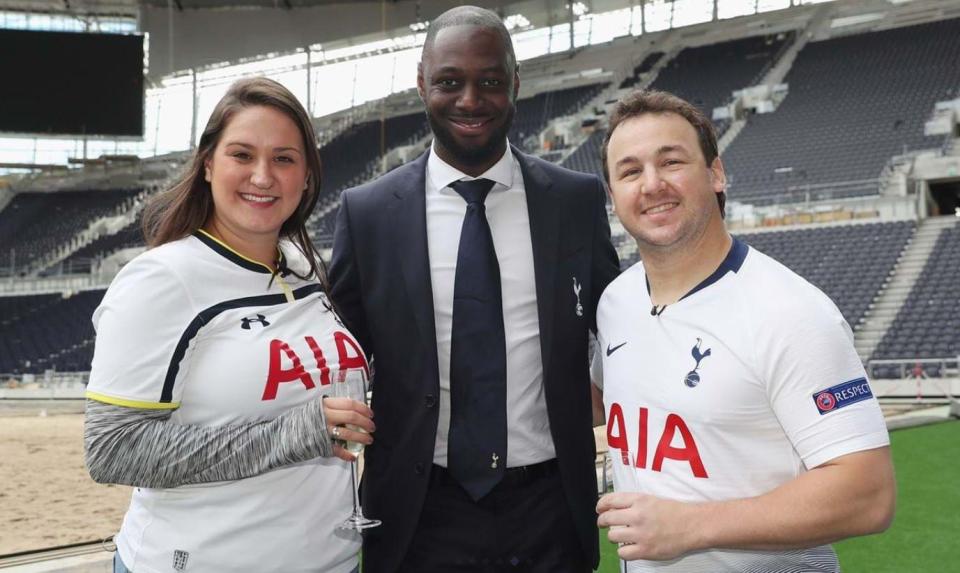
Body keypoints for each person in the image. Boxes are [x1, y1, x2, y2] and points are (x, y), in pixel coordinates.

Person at [328, 6, 621, 572]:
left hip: (550, 509)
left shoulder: (574, 200)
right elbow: (336, 349)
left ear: (515, 83)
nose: (469, 99)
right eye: (449, 81)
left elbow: (621, 322)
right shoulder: (367, 214)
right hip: (418, 509)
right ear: (421, 85)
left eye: (489, 81)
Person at [592, 89, 896, 571]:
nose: (651, 185)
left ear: (716, 173)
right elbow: (613, 394)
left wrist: (692, 526)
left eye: (671, 161)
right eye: (630, 172)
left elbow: (868, 493)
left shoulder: (791, 312)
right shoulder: (616, 301)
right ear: (613, 197)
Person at [83, 77, 375, 573]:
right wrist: (296, 432)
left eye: (284, 159)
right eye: (242, 155)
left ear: (306, 177)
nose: (263, 176)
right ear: (207, 165)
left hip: (335, 561)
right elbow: (112, 450)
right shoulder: (161, 280)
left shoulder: (304, 265)